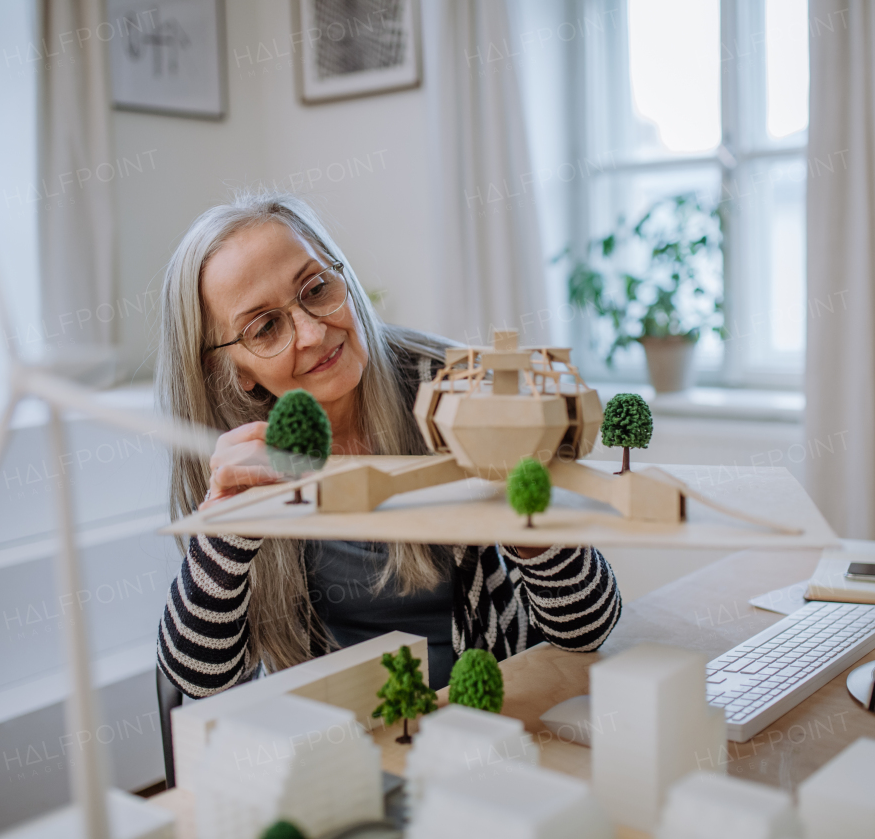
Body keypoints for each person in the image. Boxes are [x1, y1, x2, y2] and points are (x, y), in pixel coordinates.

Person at [155, 192, 621, 697]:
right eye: (265, 327)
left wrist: (530, 519)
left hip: (494, 708)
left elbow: (588, 627)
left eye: (315, 288)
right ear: (232, 371)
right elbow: (198, 680)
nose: (312, 332)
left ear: (343, 278)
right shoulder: (239, 459)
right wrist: (225, 536)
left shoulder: (454, 392)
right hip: (340, 735)